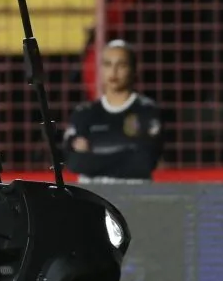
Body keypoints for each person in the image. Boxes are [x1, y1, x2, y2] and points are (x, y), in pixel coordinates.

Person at [64, 40, 164, 183]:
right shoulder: (84, 113)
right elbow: (75, 163)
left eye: (121, 65)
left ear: (134, 69)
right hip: (96, 198)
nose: (114, 71)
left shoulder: (146, 111)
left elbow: (144, 163)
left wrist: (93, 157)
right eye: (108, 64)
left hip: (132, 197)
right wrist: (126, 155)